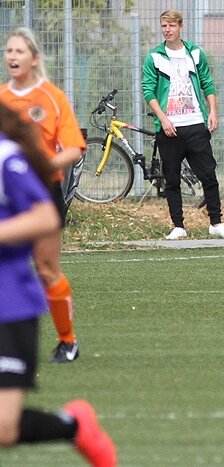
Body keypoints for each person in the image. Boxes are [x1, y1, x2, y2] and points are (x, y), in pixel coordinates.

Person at [0, 102, 117, 466]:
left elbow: (45, 216)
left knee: (4, 429)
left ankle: (75, 426)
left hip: (9, 305)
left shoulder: (6, 158)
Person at [0, 27, 84, 363]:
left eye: (19, 51)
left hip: (41, 192)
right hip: (7, 195)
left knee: (46, 268)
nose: (12, 57)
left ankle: (67, 341)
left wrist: (43, 164)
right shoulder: (2, 97)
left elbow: (74, 148)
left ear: (34, 58)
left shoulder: (52, 97)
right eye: (9, 51)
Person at [142, 9, 224, 241]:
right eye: (164, 26)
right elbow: (148, 90)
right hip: (169, 128)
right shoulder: (154, 57)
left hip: (195, 124)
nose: (167, 30)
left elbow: (207, 82)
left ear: (180, 26)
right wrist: (163, 118)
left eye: (171, 25)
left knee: (208, 175)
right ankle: (178, 226)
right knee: (172, 179)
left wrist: (212, 111)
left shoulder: (194, 53)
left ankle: (216, 222)